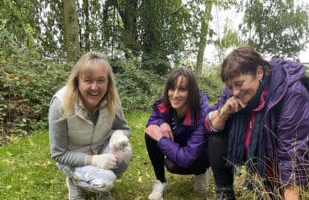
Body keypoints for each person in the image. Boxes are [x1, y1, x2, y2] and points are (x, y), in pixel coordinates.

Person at [205, 45, 309, 200]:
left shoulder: (291, 92)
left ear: (259, 72)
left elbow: (293, 150)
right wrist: (224, 112)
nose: (235, 92)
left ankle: (277, 187)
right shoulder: (232, 92)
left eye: (239, 84)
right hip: (260, 159)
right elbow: (208, 125)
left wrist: (290, 193)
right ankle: (225, 194)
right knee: (216, 138)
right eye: (230, 87)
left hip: (289, 163)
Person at [48, 51, 132, 200]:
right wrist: (94, 160)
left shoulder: (112, 98)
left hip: (101, 149)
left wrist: (118, 134)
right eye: (88, 80)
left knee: (125, 151)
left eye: (101, 80)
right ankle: (75, 181)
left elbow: (124, 128)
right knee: (105, 181)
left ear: (108, 82)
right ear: (77, 81)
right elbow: (58, 154)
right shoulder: (60, 104)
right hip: (72, 158)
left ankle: (102, 193)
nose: (95, 87)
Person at [145, 67, 211, 200]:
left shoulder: (202, 113)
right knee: (150, 134)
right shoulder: (164, 101)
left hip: (198, 152)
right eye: (172, 88)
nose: (175, 95)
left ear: (191, 92)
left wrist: (161, 139)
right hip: (178, 144)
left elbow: (187, 158)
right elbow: (151, 123)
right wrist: (161, 123)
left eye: (182, 89)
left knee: (180, 166)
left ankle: (202, 171)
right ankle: (161, 181)